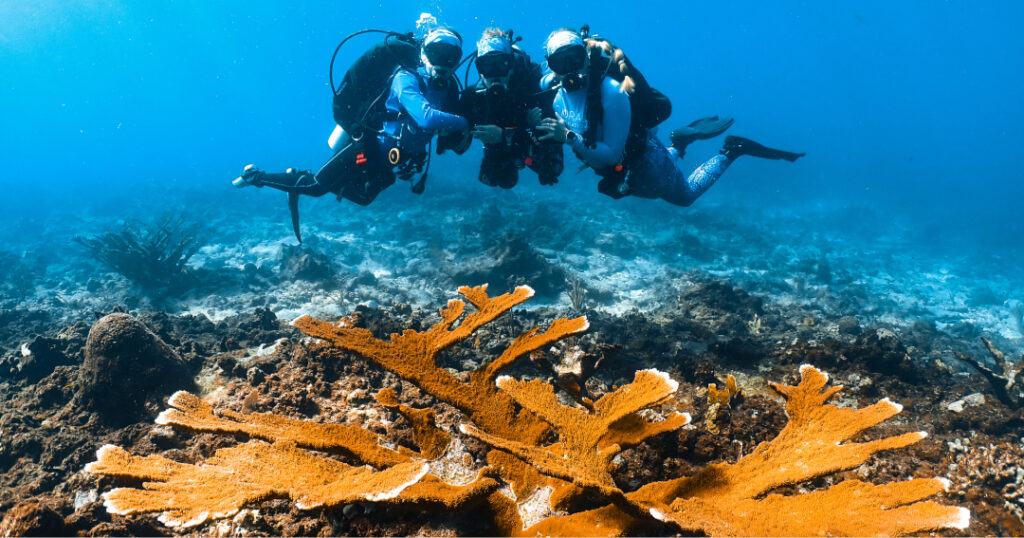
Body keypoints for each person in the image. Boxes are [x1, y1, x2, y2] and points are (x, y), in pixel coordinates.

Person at [233, 25, 470, 242]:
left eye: (451, 57)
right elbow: (427, 118)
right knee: (315, 189)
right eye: (437, 52)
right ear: (424, 53)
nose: (443, 63)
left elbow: (446, 133)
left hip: (393, 157)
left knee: (365, 198)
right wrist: (466, 122)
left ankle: (302, 177)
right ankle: (257, 176)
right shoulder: (405, 78)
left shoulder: (448, 90)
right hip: (367, 145)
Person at [535, 29, 804, 207]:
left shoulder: (612, 93)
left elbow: (609, 152)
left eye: (575, 58)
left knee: (684, 197)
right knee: (649, 194)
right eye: (561, 63)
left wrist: (568, 137)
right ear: (551, 67)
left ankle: (732, 150)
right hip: (624, 165)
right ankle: (680, 144)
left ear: (586, 57)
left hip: (643, 158)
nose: (569, 68)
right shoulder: (559, 98)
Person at [456, 28, 563, 188]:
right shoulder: (472, 97)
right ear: (480, 70)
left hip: (529, 143)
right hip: (504, 143)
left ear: (511, 65)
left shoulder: (531, 87)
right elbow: (459, 145)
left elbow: (551, 139)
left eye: (502, 64)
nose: (495, 74)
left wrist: (506, 136)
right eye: (486, 66)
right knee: (498, 180)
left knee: (550, 171)